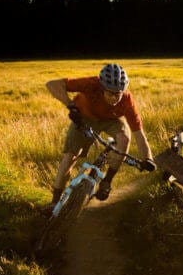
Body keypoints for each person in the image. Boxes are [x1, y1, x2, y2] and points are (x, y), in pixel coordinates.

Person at [44, 63, 156, 209]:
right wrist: (70, 105)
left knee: (124, 138)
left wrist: (148, 159)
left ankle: (107, 181)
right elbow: (52, 84)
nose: (115, 97)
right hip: (84, 117)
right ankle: (55, 201)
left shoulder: (127, 100)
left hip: (112, 120)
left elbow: (139, 134)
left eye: (119, 93)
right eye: (110, 93)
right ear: (102, 88)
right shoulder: (91, 84)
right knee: (70, 157)